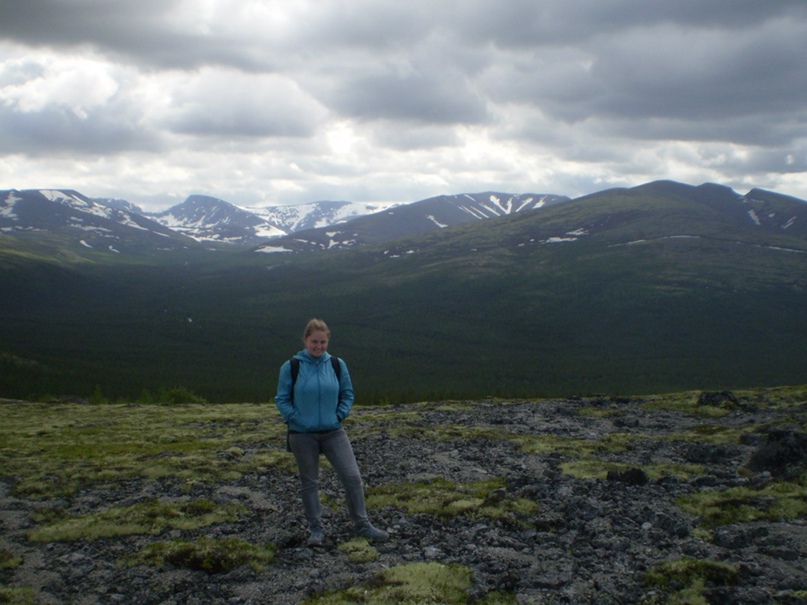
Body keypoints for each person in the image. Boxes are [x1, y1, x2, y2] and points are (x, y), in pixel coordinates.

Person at [274, 318, 389, 547]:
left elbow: (347, 393)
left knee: (352, 477)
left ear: (328, 341)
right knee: (310, 482)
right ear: (305, 340)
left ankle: (362, 525)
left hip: (334, 432)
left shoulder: (336, 364)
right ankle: (316, 530)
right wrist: (296, 418)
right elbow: (282, 398)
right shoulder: (291, 366)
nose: (319, 346)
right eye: (314, 342)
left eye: (323, 342)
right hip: (302, 435)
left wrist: (339, 415)